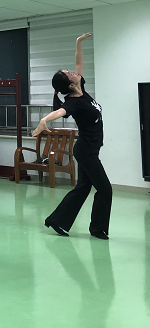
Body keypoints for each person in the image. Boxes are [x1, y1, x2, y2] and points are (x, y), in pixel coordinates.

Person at [32, 33, 112, 240]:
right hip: (86, 151)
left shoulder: (80, 88)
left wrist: (78, 43)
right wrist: (44, 120)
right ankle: (98, 229)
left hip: (91, 148)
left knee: (83, 187)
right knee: (105, 189)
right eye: (69, 73)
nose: (74, 72)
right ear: (69, 84)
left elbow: (79, 62)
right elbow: (60, 112)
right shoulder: (73, 102)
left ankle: (57, 220)